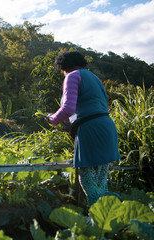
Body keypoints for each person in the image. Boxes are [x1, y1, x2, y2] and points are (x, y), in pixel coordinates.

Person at [46, 51, 121, 206]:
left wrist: (52, 119)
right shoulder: (94, 78)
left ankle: (96, 217)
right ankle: (110, 217)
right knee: (100, 180)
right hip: (107, 126)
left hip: (90, 129)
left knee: (86, 179)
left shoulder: (72, 76)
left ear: (64, 67)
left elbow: (68, 108)